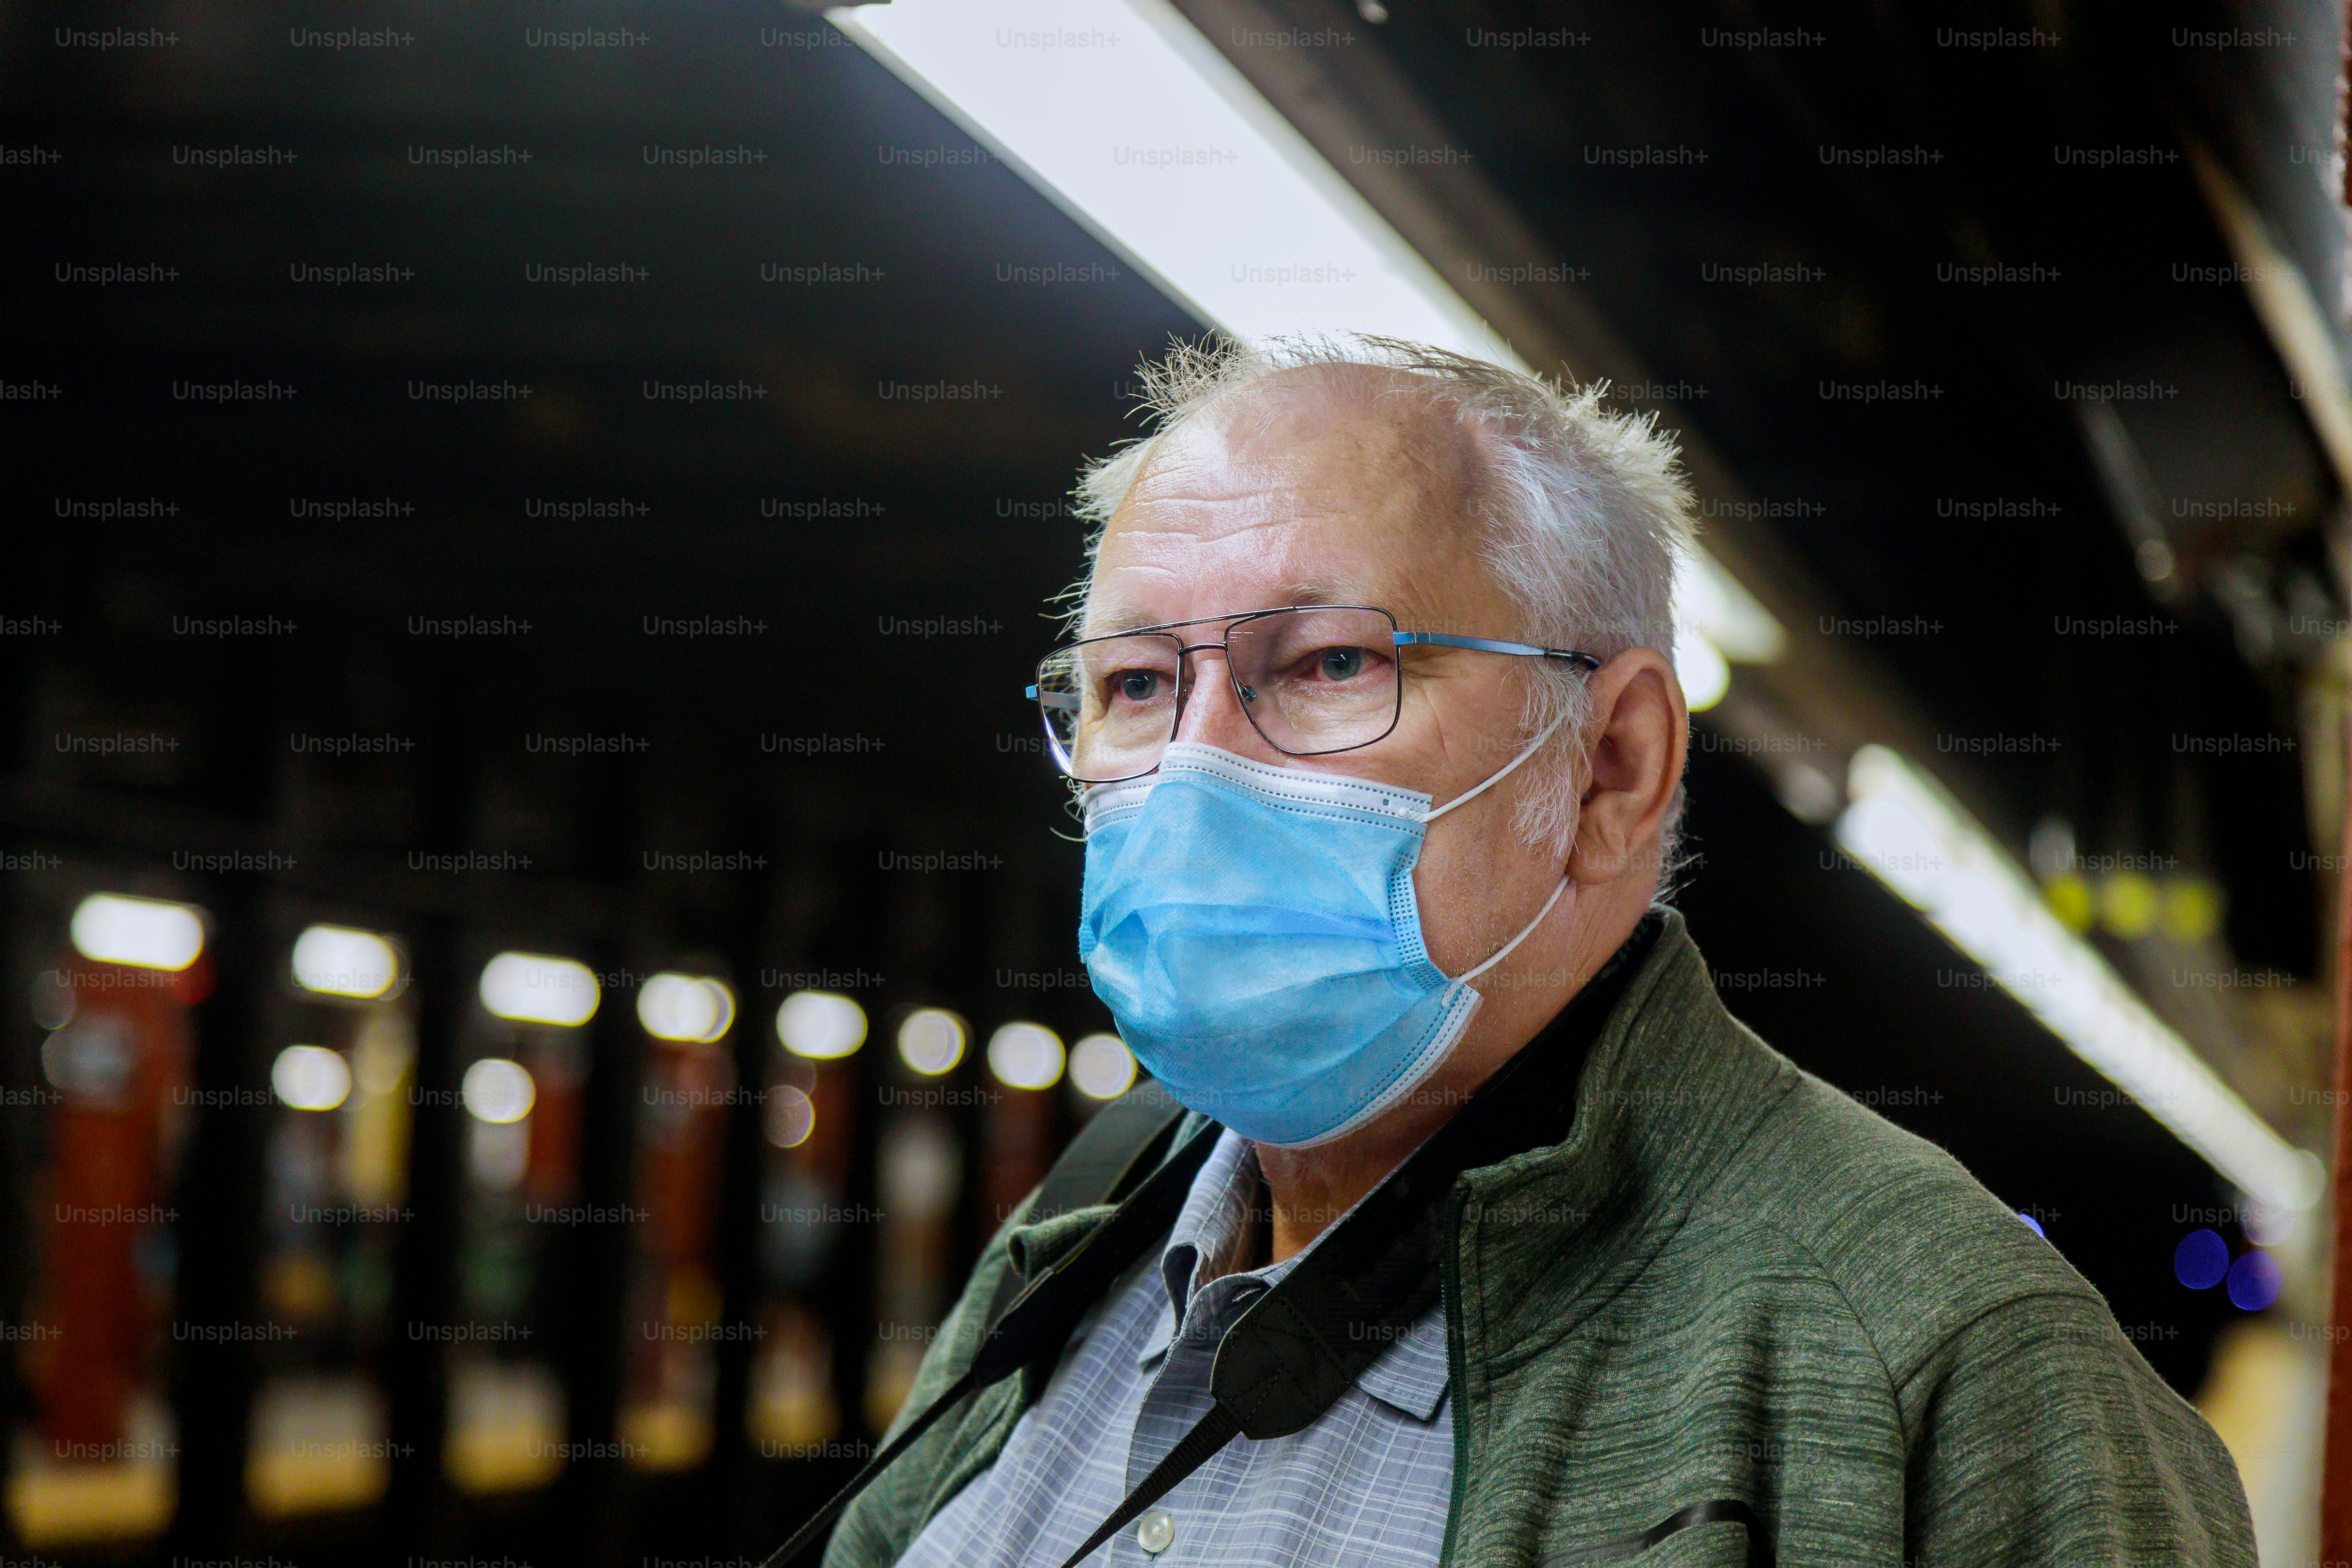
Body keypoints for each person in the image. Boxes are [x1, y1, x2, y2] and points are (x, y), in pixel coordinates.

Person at [816, 336, 2256, 1567]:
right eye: (1134, 684)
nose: (1191, 771)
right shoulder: (1086, 1230)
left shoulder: (1949, 1374)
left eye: (1329, 665)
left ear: (1611, 765)